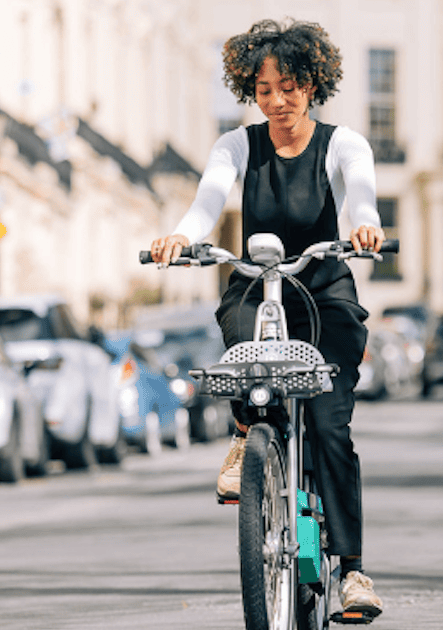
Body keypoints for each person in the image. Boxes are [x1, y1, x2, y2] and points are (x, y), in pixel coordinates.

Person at [148, 18, 383, 619]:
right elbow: (207, 202)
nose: (277, 101)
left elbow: (360, 191)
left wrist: (365, 224)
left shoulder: (343, 143)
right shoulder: (236, 145)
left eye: (290, 87)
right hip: (257, 287)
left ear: (313, 83)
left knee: (330, 426)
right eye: (264, 90)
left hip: (325, 290)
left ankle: (354, 572)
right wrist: (180, 236)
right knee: (239, 339)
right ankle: (249, 437)